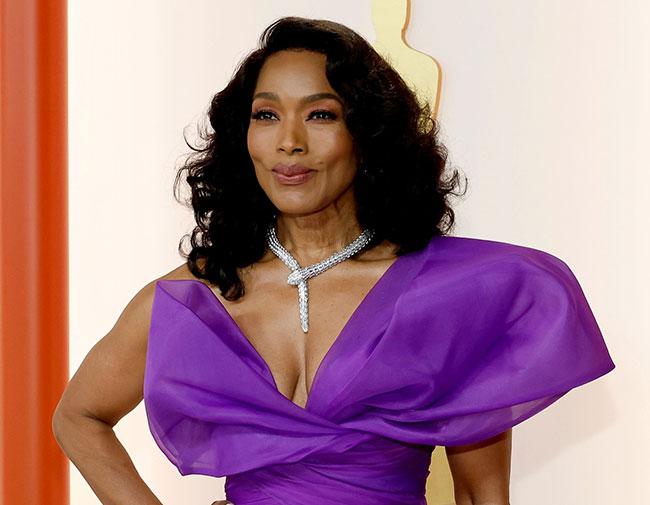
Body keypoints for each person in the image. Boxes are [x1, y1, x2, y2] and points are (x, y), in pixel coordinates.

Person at [52, 16, 616, 505]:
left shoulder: (450, 298)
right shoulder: (197, 298)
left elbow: (480, 496)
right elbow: (78, 417)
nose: (289, 142)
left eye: (320, 115)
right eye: (266, 115)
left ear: (367, 133)